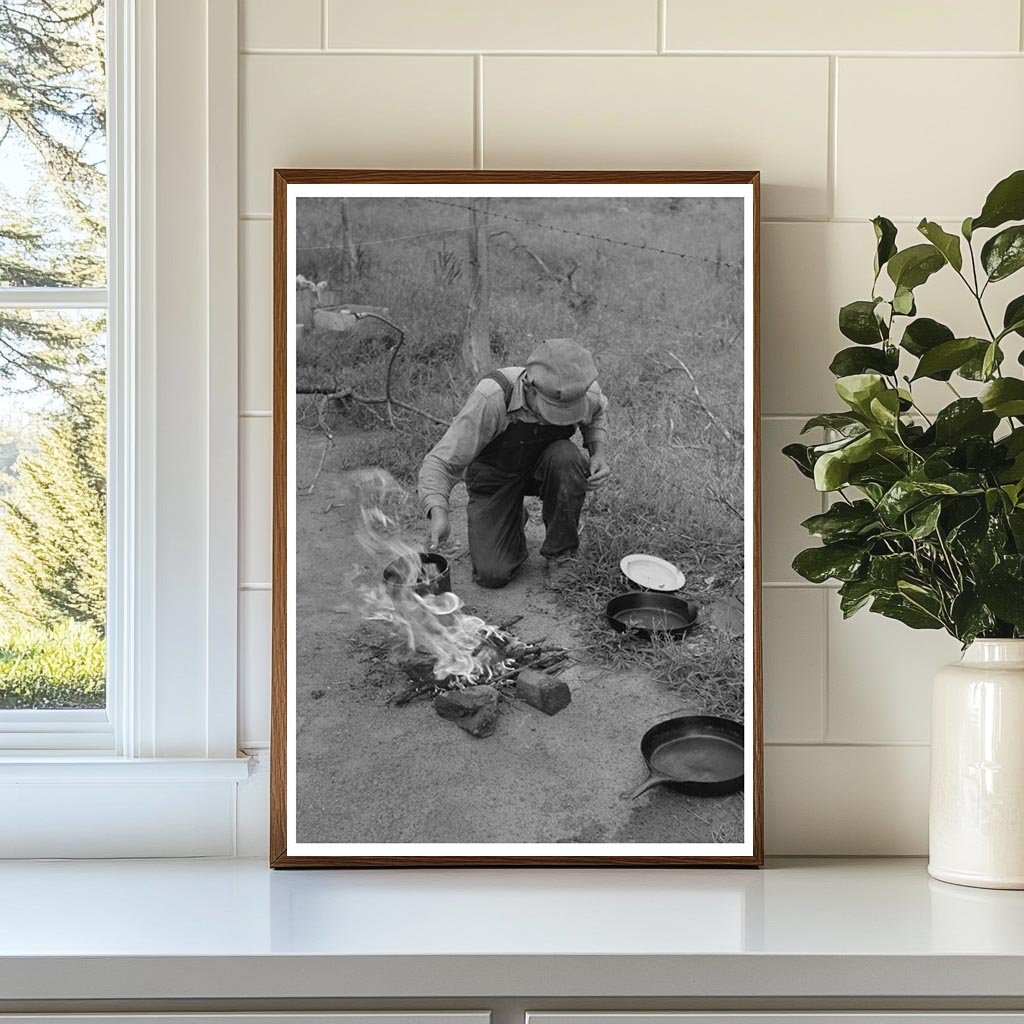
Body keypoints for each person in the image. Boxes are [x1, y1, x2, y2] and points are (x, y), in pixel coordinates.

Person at [418, 338, 610, 589]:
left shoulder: (583, 390)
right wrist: (439, 513)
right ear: (530, 387)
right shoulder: (493, 396)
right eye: (553, 411)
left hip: (544, 468)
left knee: (567, 456)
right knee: (492, 574)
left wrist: (598, 453)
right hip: (495, 476)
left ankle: (561, 554)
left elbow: (596, 415)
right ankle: (511, 515)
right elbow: (440, 462)